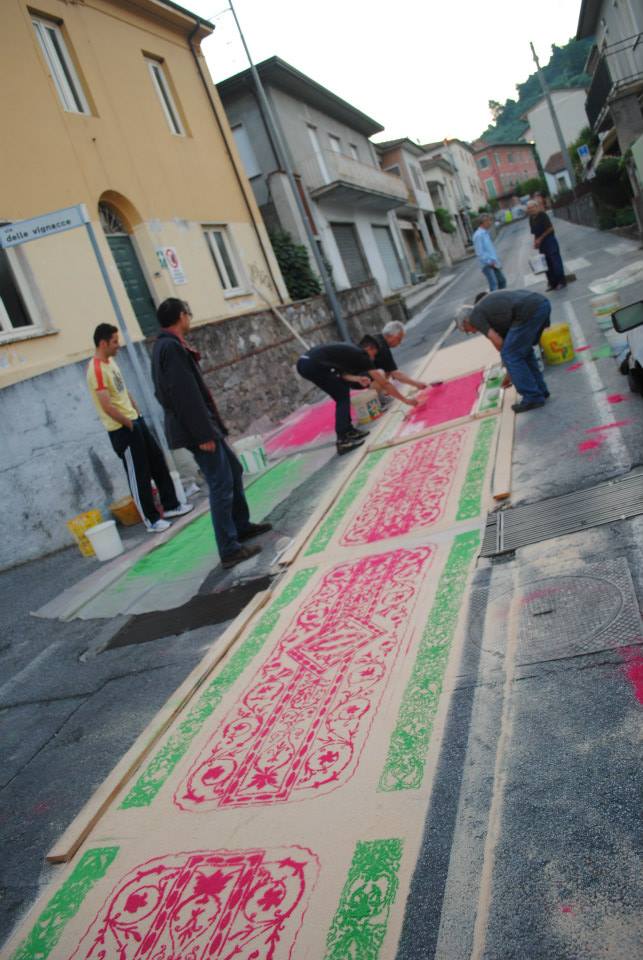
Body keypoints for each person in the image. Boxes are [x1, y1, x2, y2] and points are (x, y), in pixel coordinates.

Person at [151, 299, 271, 569]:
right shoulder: (169, 347)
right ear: (181, 316)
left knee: (233, 470)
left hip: (200, 426)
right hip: (198, 430)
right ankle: (229, 548)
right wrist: (202, 433)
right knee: (220, 484)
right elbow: (184, 395)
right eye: (188, 314)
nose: (189, 319)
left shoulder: (164, 346)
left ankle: (241, 527)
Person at [87, 324, 193, 532]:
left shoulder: (111, 362)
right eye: (115, 341)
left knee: (158, 463)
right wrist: (128, 423)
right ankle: (151, 520)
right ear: (103, 343)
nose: (118, 345)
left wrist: (137, 413)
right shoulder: (96, 370)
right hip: (122, 429)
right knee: (139, 475)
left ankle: (171, 505)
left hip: (136, 420)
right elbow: (106, 406)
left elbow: (123, 391)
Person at [296, 340, 419, 454]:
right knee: (342, 397)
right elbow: (384, 383)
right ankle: (343, 441)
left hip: (305, 364)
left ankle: (348, 431)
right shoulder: (361, 356)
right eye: (374, 355)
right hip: (312, 365)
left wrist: (358, 378)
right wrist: (406, 400)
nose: (373, 359)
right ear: (369, 349)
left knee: (342, 391)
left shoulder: (349, 352)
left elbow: (342, 374)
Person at [455, 290, 551, 413]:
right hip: (541, 304)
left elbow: (499, 344)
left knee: (511, 354)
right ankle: (541, 391)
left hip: (529, 310)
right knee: (523, 351)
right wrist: (509, 372)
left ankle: (533, 397)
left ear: (466, 321)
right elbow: (504, 344)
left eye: (467, 330)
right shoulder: (490, 316)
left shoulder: (475, 317)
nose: (472, 332)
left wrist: (510, 372)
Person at [358, 321, 428, 403]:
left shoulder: (378, 337)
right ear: (390, 336)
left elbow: (392, 371)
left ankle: (378, 393)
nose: (400, 343)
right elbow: (397, 374)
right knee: (381, 373)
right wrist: (416, 385)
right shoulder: (382, 347)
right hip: (358, 378)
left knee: (386, 371)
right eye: (399, 339)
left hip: (357, 374)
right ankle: (375, 399)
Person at [527, 197, 566, 291]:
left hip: (549, 240)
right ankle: (552, 283)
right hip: (542, 243)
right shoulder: (531, 219)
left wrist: (540, 238)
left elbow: (550, 228)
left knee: (555, 261)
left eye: (532, 208)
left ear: (536, 207)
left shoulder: (542, 215)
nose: (530, 210)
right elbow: (535, 232)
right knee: (546, 263)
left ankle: (561, 282)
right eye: (529, 208)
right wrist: (535, 242)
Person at [473, 214, 507, 291]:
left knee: (502, 281)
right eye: (488, 221)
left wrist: (496, 262)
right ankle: (493, 301)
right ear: (483, 222)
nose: (490, 222)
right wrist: (489, 262)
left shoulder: (485, 233)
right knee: (494, 284)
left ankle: (502, 299)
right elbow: (479, 252)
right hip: (487, 264)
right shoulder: (478, 235)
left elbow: (490, 250)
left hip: (493, 263)